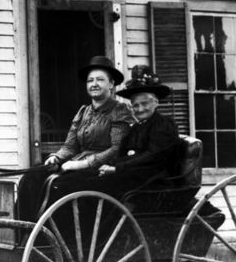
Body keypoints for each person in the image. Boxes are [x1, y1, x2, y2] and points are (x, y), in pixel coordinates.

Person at [15, 55, 133, 221]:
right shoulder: (83, 112)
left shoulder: (119, 111)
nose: (94, 84)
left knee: (61, 186)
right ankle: (24, 230)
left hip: (102, 170)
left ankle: (57, 237)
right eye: (90, 80)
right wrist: (57, 157)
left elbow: (116, 150)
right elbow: (70, 146)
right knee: (31, 177)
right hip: (76, 164)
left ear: (111, 84)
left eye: (100, 80)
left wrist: (81, 164)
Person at [50, 65, 180, 203]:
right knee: (79, 181)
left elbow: (151, 157)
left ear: (156, 103)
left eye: (145, 104)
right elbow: (124, 153)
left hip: (154, 179)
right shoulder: (137, 126)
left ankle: (91, 222)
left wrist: (116, 168)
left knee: (84, 185)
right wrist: (111, 166)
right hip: (135, 174)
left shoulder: (163, 124)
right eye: (135, 105)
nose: (140, 109)